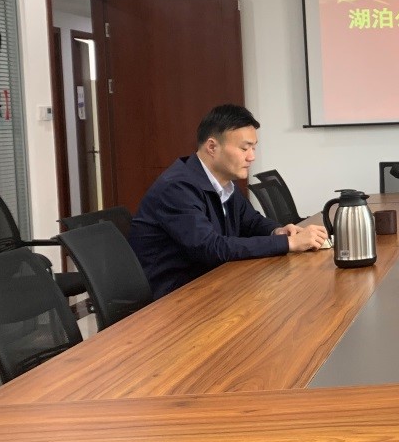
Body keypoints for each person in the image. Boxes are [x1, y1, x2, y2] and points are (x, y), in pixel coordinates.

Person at [130, 104, 328, 299]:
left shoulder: (224, 183)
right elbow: (211, 248)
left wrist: (277, 231)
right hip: (174, 298)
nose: (252, 157)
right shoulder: (177, 188)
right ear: (212, 147)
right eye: (244, 148)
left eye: (253, 148)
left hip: (213, 283)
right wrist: (288, 243)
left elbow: (251, 222)